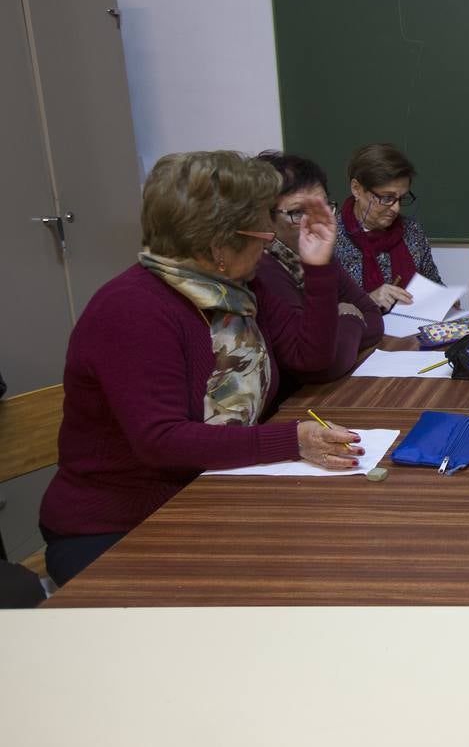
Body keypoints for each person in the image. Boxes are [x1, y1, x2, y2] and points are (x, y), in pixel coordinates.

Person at [38, 151, 362, 586]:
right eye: (260, 226)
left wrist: (317, 267)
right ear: (218, 245)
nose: (270, 236)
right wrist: (291, 439)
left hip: (213, 492)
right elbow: (161, 440)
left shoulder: (243, 288)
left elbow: (310, 357)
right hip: (121, 522)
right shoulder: (132, 309)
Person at [255, 151, 383, 388]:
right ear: (264, 217)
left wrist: (340, 327)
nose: (312, 222)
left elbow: (374, 319)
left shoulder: (318, 255)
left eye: (321, 208)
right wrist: (346, 315)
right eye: (296, 212)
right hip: (292, 406)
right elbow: (322, 367)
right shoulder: (264, 268)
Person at [334, 142, 442, 312]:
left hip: (411, 335)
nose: (396, 208)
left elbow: (434, 284)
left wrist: (445, 300)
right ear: (357, 189)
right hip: (358, 336)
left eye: (401, 198)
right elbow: (316, 314)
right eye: (386, 198)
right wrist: (368, 301)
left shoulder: (412, 231)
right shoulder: (329, 239)